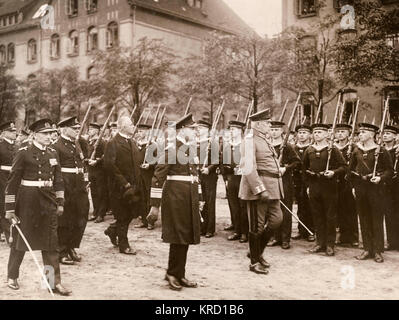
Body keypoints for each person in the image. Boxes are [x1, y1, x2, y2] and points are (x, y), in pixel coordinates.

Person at [4, 119, 71, 295]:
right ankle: (12, 276)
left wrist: (60, 201)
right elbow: (12, 183)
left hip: (48, 202)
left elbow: (58, 180)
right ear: (34, 135)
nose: (50, 136)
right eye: (45, 133)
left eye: (51, 133)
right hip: (27, 202)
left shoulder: (52, 153)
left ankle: (51, 282)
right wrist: (10, 209)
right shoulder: (23, 152)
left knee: (51, 243)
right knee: (21, 242)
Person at [147, 113, 202, 291]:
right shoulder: (171, 148)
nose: (195, 132)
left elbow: (195, 176)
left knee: (185, 235)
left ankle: (180, 273)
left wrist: (199, 198)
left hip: (188, 197)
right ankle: (172, 273)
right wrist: (154, 205)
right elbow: (158, 176)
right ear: (181, 130)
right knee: (177, 236)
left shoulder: (190, 149)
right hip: (175, 197)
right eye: (191, 129)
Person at [239, 109, 283, 275]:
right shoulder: (250, 140)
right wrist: (259, 189)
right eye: (267, 123)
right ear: (257, 125)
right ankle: (254, 262)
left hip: (273, 188)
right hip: (259, 190)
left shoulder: (264, 140)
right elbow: (249, 167)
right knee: (256, 227)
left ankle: (255, 251)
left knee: (277, 220)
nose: (270, 125)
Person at [350, 123, 393, 262]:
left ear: (372, 134)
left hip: (375, 189)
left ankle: (378, 250)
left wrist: (380, 177)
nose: (360, 134)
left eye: (363, 132)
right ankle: (367, 249)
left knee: (376, 219)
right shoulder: (356, 150)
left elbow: (389, 171)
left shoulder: (381, 151)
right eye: (359, 132)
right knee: (363, 218)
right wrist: (353, 186)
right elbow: (350, 170)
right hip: (360, 188)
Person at [302, 123, 347, 257]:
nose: (317, 135)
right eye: (315, 132)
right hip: (314, 186)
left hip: (329, 187)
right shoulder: (309, 150)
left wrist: (333, 172)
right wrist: (308, 186)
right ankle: (319, 243)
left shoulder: (332, 149)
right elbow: (304, 170)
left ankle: (330, 245)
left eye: (320, 132)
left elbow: (344, 166)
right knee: (317, 215)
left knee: (330, 216)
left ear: (327, 134)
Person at [103, 116, 144, 255]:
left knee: (132, 213)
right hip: (119, 187)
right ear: (122, 127)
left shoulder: (132, 142)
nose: (134, 127)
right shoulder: (113, 143)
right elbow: (110, 166)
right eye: (131, 125)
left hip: (133, 186)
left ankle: (112, 230)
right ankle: (124, 245)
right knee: (122, 215)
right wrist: (124, 183)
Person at [53, 117, 90, 265]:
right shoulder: (57, 145)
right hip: (66, 186)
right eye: (74, 129)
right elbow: (55, 170)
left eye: (77, 128)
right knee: (65, 219)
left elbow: (83, 164)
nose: (77, 131)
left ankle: (72, 246)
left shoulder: (77, 143)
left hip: (79, 185)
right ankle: (62, 250)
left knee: (81, 215)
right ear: (65, 129)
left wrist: (86, 180)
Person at [269, 121, 301, 249]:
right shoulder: (268, 146)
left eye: (276, 130)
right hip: (271, 181)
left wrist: (285, 168)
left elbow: (296, 162)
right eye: (272, 129)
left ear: (282, 131)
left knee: (285, 211)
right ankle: (275, 237)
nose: (274, 132)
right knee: (273, 210)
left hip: (285, 182)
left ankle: (285, 238)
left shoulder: (287, 146)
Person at [221, 120, 248, 243]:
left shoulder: (245, 145)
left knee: (243, 206)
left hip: (243, 179)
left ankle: (245, 233)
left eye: (234, 130)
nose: (231, 132)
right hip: (232, 179)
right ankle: (237, 230)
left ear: (241, 131)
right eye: (230, 129)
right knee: (234, 206)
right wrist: (226, 179)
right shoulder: (228, 146)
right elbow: (224, 164)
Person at [334, 123, 358, 247]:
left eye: (343, 131)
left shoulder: (353, 147)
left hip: (349, 181)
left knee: (350, 209)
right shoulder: (333, 147)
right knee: (337, 208)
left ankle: (353, 236)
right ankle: (340, 234)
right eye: (338, 132)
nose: (340, 134)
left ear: (349, 133)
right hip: (336, 180)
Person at [292, 124, 315, 241]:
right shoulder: (293, 148)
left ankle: (311, 230)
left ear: (310, 135)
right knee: (300, 206)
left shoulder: (312, 148)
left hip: (309, 181)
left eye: (304, 133)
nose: (301, 135)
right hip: (296, 181)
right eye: (300, 133)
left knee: (310, 206)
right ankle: (301, 230)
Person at [197, 120, 218, 238]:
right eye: (198, 128)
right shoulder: (196, 143)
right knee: (200, 201)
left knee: (209, 202)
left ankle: (210, 229)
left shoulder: (212, 143)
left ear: (207, 130)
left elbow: (216, 161)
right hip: (198, 175)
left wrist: (209, 169)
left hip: (209, 176)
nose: (198, 130)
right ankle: (201, 227)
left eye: (201, 128)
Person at [134, 123, 155, 230]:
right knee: (141, 198)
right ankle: (143, 220)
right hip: (139, 175)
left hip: (149, 175)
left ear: (147, 132)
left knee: (148, 198)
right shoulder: (137, 144)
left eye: (141, 131)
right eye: (138, 131)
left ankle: (150, 221)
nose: (139, 133)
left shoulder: (152, 145)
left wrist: (150, 165)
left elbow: (159, 160)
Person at [382, 125, 399, 250]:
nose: (386, 135)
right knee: (388, 213)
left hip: (397, 185)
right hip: (385, 185)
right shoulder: (381, 151)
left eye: (389, 133)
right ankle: (391, 241)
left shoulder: (397, 150)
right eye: (384, 133)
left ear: (395, 136)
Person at [87, 123, 108, 223]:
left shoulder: (102, 142)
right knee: (94, 192)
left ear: (96, 131)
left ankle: (101, 214)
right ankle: (95, 212)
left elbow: (106, 156)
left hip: (100, 171)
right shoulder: (90, 142)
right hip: (91, 171)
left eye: (91, 129)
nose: (89, 131)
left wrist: (97, 161)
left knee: (101, 193)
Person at [0, 122, 17, 243]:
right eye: (11, 131)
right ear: (4, 133)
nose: (14, 133)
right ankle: (8, 234)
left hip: (15, 179)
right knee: (5, 205)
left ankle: (13, 232)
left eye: (14, 131)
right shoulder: (0, 146)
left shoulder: (17, 146)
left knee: (14, 204)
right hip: (2, 179)